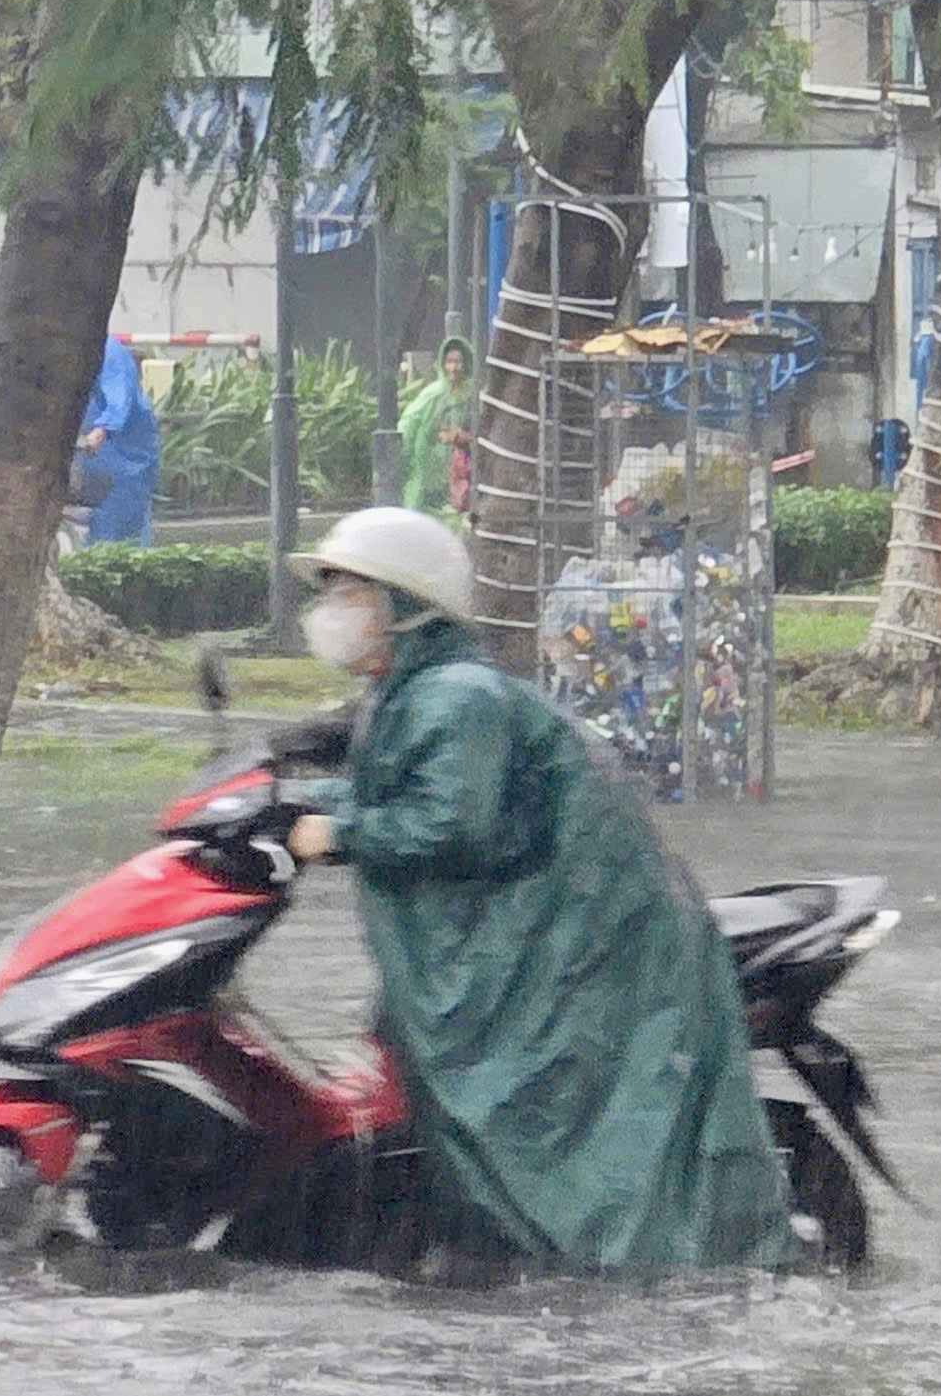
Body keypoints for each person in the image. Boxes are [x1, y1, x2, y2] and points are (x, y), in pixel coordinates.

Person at [280, 507, 796, 1278]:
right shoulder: (410, 690)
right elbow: (394, 783)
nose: (335, 615)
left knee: (562, 1126)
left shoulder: (456, 696)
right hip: (545, 931)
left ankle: (620, 1274)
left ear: (407, 604)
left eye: (353, 593)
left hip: (584, 944)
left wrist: (339, 832)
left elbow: (450, 821)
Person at [74, 337, 161, 545]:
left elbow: (118, 397)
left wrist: (100, 431)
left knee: (119, 529)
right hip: (87, 456)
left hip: (120, 455)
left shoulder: (108, 351)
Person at [395, 337, 475, 513]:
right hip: (426, 469)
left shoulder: (472, 397)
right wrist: (400, 457)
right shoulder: (433, 395)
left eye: (458, 362)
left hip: (459, 473)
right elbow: (409, 423)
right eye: (449, 362)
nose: (453, 368)